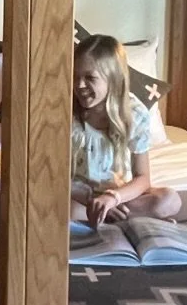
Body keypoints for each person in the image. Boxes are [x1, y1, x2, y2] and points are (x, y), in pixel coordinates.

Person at [71, 33, 181, 227]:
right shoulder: (67, 114)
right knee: (63, 207)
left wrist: (112, 198)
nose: (79, 85)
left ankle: (107, 215)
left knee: (169, 200)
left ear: (113, 79)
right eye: (75, 77)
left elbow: (143, 177)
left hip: (119, 196)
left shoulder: (133, 115)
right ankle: (107, 216)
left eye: (90, 78)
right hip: (77, 196)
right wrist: (91, 201)